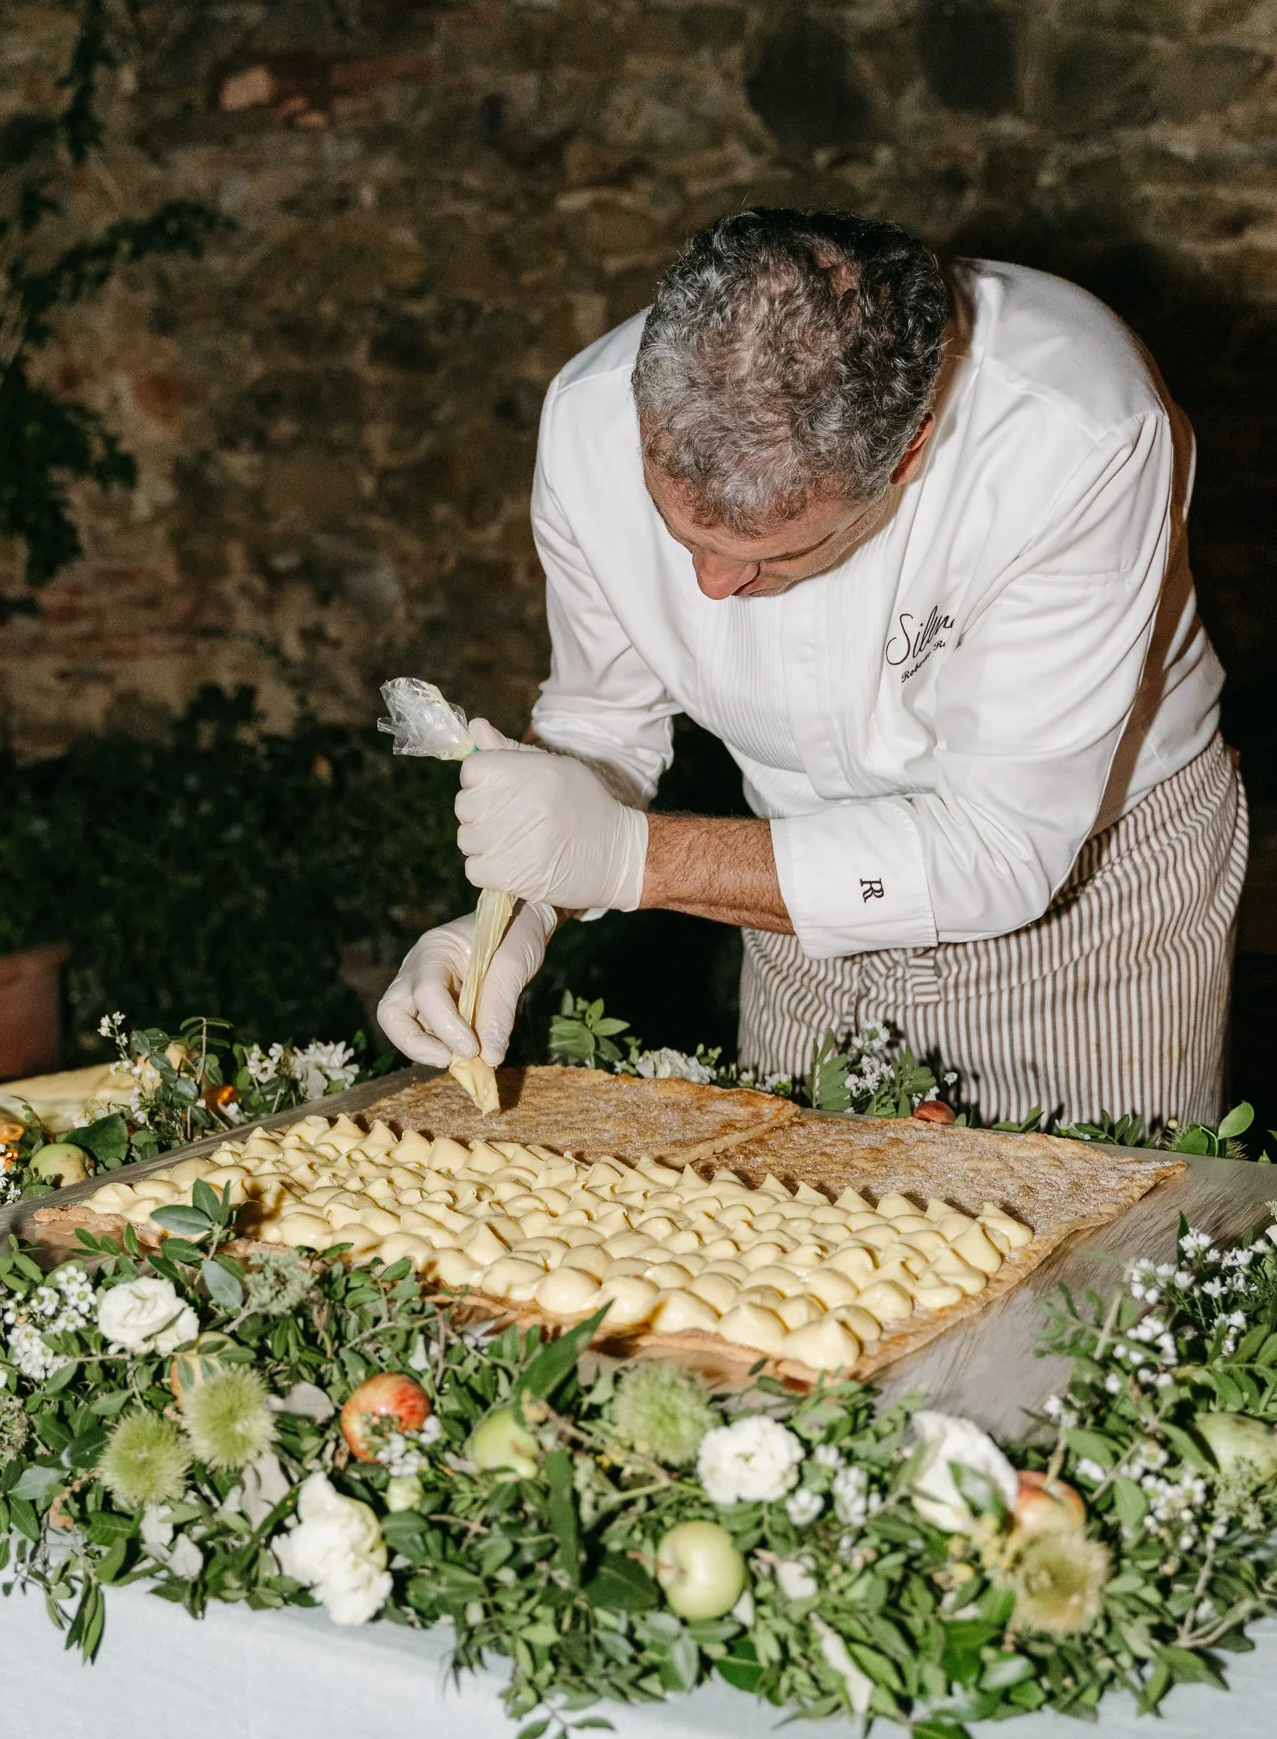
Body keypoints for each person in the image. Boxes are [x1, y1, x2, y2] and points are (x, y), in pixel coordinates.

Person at [378, 208, 1246, 1126]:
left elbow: (998, 850)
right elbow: (603, 727)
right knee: (798, 1244)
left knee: (1104, 1254)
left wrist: (631, 859)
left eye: (772, 559)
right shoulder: (587, 421)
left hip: (1093, 906)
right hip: (785, 902)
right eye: (682, 537)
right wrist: (509, 921)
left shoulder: (1077, 436)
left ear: (909, 452)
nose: (712, 587)